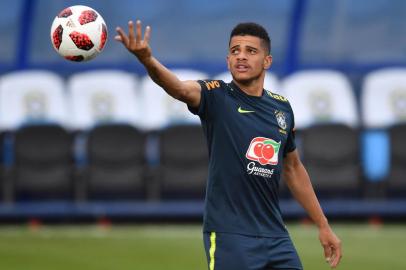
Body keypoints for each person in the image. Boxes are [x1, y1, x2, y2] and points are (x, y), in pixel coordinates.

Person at [115, 20, 342, 270]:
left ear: (267, 61)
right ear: (227, 60)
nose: (241, 57)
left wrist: (323, 225)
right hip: (229, 236)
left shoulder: (282, 108)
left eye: (250, 51)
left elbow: (293, 168)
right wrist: (147, 59)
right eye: (235, 51)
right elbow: (179, 88)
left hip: (276, 236)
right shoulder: (217, 96)